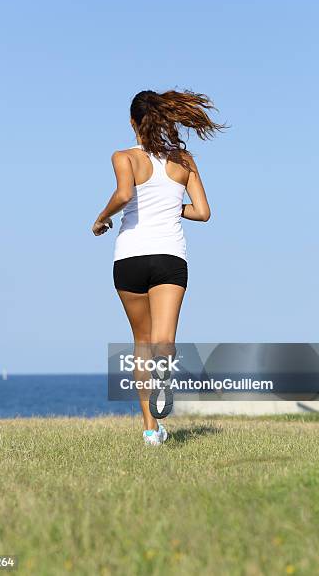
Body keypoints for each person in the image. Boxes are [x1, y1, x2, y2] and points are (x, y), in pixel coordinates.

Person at [92, 89, 226, 445]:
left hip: (130, 257)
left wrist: (100, 219)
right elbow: (202, 212)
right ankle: (165, 367)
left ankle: (151, 429)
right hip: (169, 258)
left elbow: (123, 196)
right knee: (164, 341)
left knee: (141, 342)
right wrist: (170, 207)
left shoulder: (124, 157)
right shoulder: (184, 160)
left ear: (133, 122)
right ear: (165, 120)